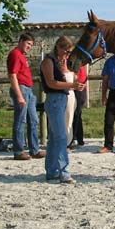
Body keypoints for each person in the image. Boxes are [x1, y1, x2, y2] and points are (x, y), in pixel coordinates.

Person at [40, 36, 86, 183]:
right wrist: (72, 86)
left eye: (69, 52)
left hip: (61, 99)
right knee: (60, 137)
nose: (67, 54)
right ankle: (63, 171)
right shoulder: (48, 61)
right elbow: (51, 82)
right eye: (66, 51)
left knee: (55, 138)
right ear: (58, 47)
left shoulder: (59, 62)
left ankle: (52, 171)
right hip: (54, 99)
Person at [7, 33, 46, 161]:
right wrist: (19, 95)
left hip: (28, 89)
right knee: (20, 121)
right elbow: (13, 75)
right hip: (21, 89)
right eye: (28, 43)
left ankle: (34, 149)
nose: (29, 46)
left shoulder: (22, 56)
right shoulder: (15, 54)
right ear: (21, 41)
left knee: (33, 120)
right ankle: (18, 151)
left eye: (31, 45)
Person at [71, 65, 88, 147]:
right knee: (74, 115)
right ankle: (77, 138)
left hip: (78, 91)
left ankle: (76, 137)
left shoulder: (80, 65)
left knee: (76, 114)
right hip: (73, 89)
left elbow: (81, 78)